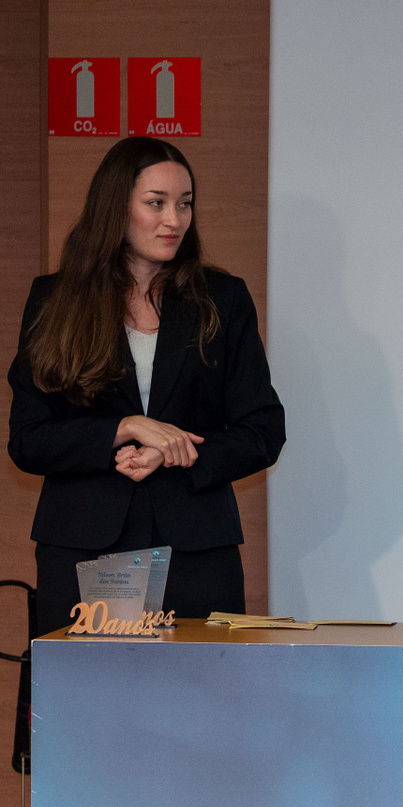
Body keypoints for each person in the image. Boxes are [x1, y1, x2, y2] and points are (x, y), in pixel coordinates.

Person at [9, 137, 285, 637]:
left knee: (198, 686)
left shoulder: (222, 299)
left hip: (197, 550)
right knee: (90, 689)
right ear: (116, 207)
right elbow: (29, 440)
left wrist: (179, 451)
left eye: (185, 204)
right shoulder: (54, 299)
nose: (174, 220)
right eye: (156, 203)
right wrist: (124, 428)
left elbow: (263, 431)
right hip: (82, 548)